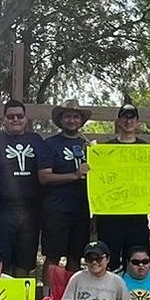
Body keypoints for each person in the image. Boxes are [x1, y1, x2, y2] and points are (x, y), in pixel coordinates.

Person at [0, 100, 48, 275]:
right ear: (4, 119)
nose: (15, 119)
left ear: (26, 118)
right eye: (10, 116)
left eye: (20, 116)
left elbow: (46, 174)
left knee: (25, 262)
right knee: (0, 260)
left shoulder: (36, 140)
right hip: (1, 210)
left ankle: (22, 299)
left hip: (31, 211)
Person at [39, 101, 93, 268]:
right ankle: (49, 294)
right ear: (61, 120)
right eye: (67, 116)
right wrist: (75, 175)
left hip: (82, 210)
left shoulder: (89, 146)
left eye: (76, 117)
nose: (72, 120)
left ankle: (71, 294)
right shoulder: (50, 144)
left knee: (75, 258)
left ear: (81, 121)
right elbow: (44, 177)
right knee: (53, 258)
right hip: (56, 210)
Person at [93, 105, 150, 253]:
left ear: (138, 122)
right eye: (125, 117)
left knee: (136, 260)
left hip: (137, 217)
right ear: (119, 121)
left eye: (132, 117)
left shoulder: (146, 149)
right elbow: (98, 183)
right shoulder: (106, 149)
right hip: (110, 217)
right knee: (109, 261)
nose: (128, 121)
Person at [56, 241, 129, 300]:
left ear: (107, 259)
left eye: (99, 259)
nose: (94, 262)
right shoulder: (76, 278)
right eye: (89, 259)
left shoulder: (117, 281)